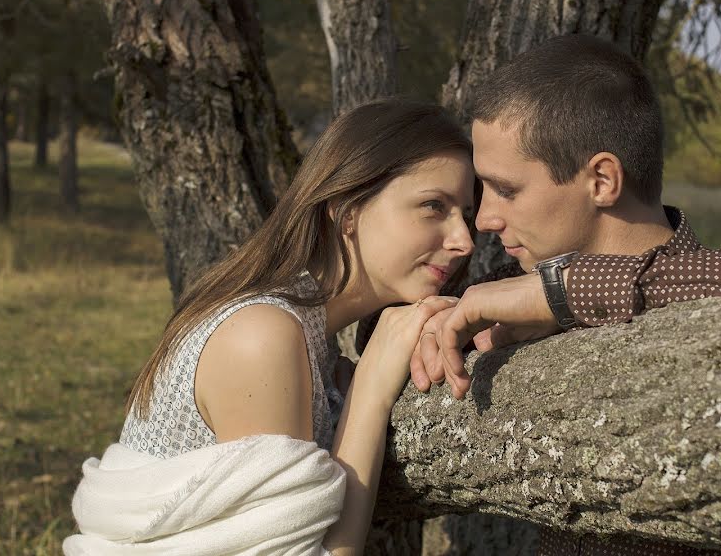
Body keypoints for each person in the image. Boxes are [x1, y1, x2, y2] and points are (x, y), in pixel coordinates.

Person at [404, 34, 721, 556]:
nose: (484, 219)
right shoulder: (511, 290)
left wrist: (570, 290)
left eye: (506, 190)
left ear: (601, 180)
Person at [63, 99, 477, 555]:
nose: (463, 241)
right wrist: (371, 389)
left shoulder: (309, 338)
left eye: (466, 215)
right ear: (346, 210)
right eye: (433, 206)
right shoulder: (261, 335)